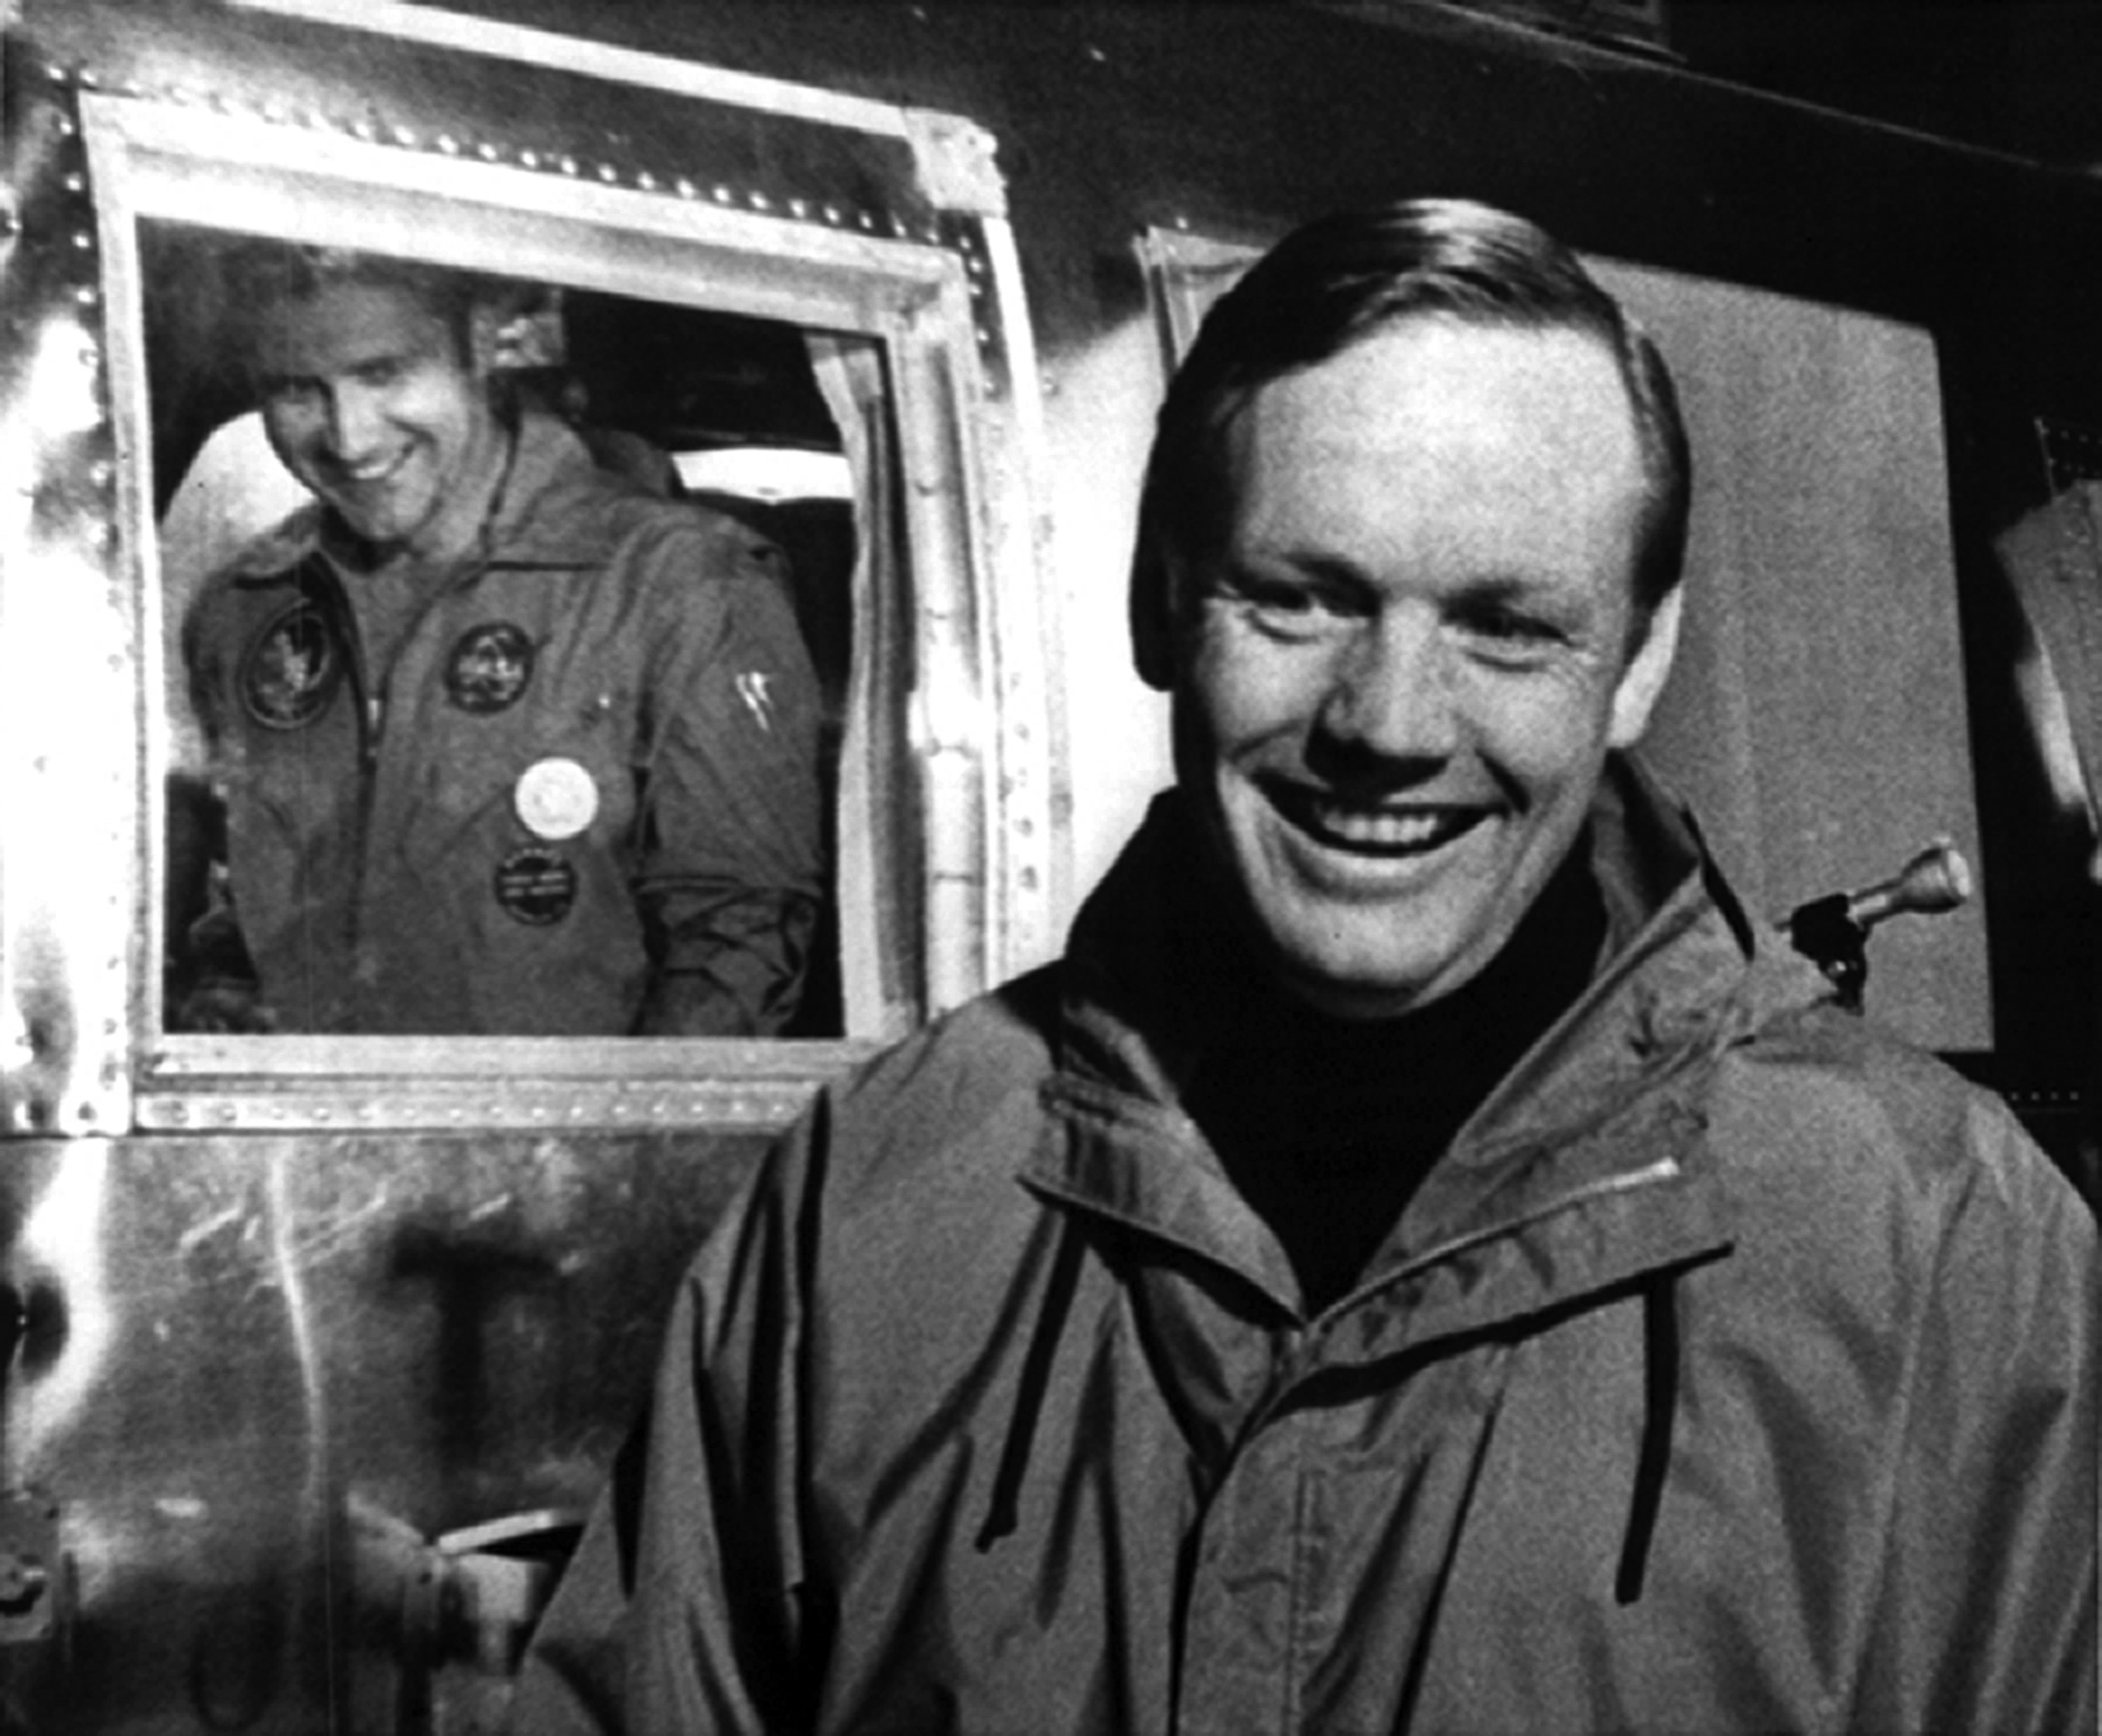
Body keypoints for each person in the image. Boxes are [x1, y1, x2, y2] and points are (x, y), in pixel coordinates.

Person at [510, 200, 2097, 1731]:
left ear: (1638, 661)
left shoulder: (1937, 1253)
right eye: (1298, 598)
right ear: (1159, 601)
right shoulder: (869, 1209)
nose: (1386, 723)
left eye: (1504, 626)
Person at [172, 244, 823, 1035]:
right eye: (296, 391)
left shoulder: (680, 584)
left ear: (481, 348)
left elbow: (733, 957)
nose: (348, 437)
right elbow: (244, 916)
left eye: (385, 374)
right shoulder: (249, 610)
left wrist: (623, 1158)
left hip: (553, 1150)